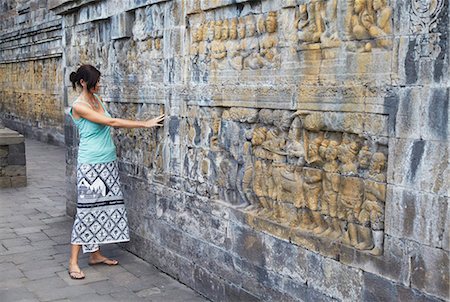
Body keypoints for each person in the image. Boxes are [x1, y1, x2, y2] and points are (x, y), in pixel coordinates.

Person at [67, 64, 164, 280]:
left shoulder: (96, 99)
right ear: (83, 82)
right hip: (90, 166)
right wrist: (145, 124)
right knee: (86, 211)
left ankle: (95, 255)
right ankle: (73, 262)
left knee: (103, 208)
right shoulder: (79, 105)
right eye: (96, 82)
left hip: (107, 163)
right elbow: (111, 122)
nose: (99, 85)